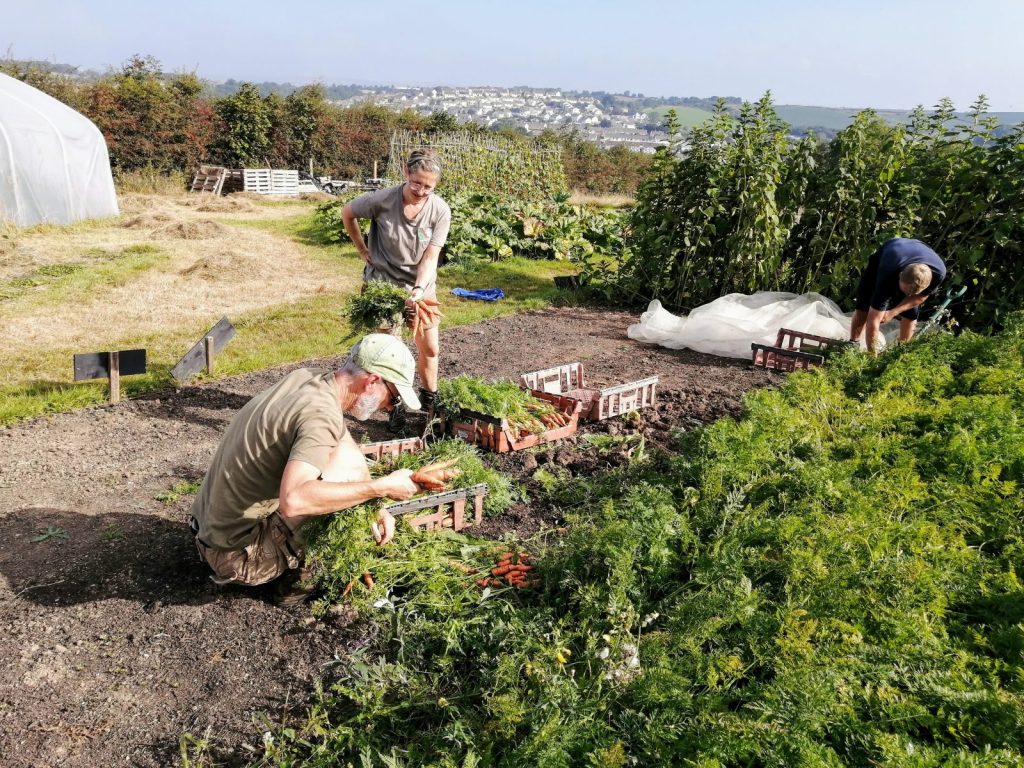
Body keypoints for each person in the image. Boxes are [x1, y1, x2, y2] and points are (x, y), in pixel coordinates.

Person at [189, 334, 424, 597]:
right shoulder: (320, 417)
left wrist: (374, 505)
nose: (388, 409)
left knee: (345, 473)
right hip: (237, 556)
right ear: (372, 382)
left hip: (209, 529)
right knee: (330, 497)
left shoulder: (308, 379)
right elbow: (294, 500)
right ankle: (297, 584)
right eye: (393, 399)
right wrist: (379, 488)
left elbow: (344, 445)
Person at [341, 148, 451, 430]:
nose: (421, 190)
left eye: (429, 186)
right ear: (406, 173)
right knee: (385, 352)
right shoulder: (382, 199)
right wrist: (362, 248)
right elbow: (348, 212)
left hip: (420, 288)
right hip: (383, 288)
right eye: (417, 183)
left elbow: (430, 256)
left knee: (430, 347)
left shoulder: (439, 210)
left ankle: (429, 404)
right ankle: (394, 406)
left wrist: (417, 290)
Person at [849, 237, 947, 353]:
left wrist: (893, 312)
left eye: (913, 292)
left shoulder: (938, 273)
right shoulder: (888, 273)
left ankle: (901, 352)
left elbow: (921, 297)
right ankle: (852, 344)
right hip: (890, 252)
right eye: (906, 290)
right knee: (864, 306)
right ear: (900, 276)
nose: (909, 295)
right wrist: (872, 359)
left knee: (911, 312)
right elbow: (873, 320)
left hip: (915, 252)